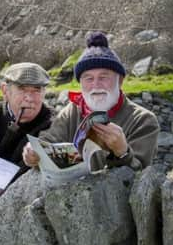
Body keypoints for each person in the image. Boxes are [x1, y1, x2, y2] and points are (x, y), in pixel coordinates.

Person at [23, 32, 159, 170]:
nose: (96, 85)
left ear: (120, 81)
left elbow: (141, 178)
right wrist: (34, 152)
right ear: (80, 83)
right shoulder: (72, 111)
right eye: (88, 78)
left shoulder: (143, 120)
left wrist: (123, 152)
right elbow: (50, 140)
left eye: (103, 77)